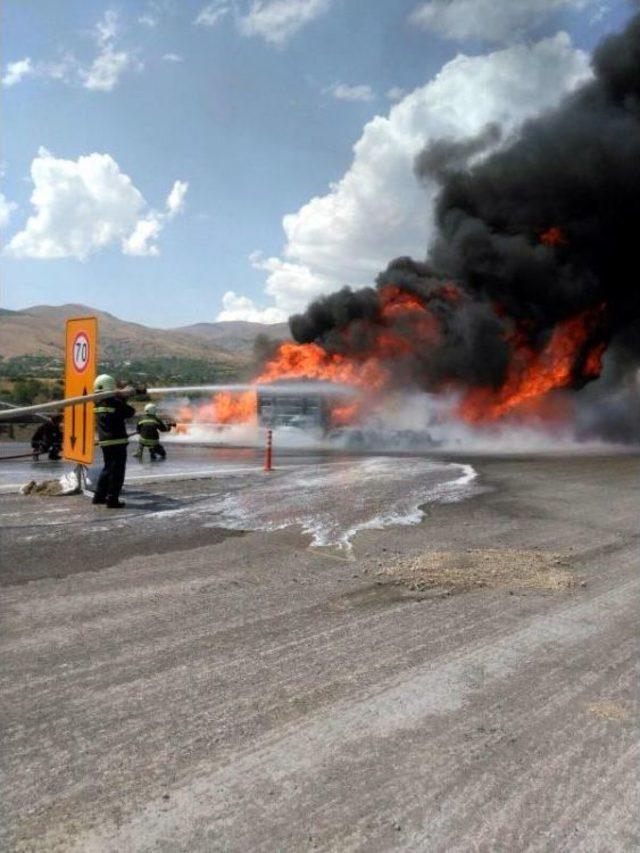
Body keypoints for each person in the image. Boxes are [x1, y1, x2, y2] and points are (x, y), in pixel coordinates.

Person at [92, 374, 136, 509]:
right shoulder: (115, 403)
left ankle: (99, 497)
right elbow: (130, 412)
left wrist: (119, 397)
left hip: (105, 441)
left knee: (107, 469)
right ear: (111, 386)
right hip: (117, 441)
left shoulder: (97, 403)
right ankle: (112, 499)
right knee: (117, 471)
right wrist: (123, 397)